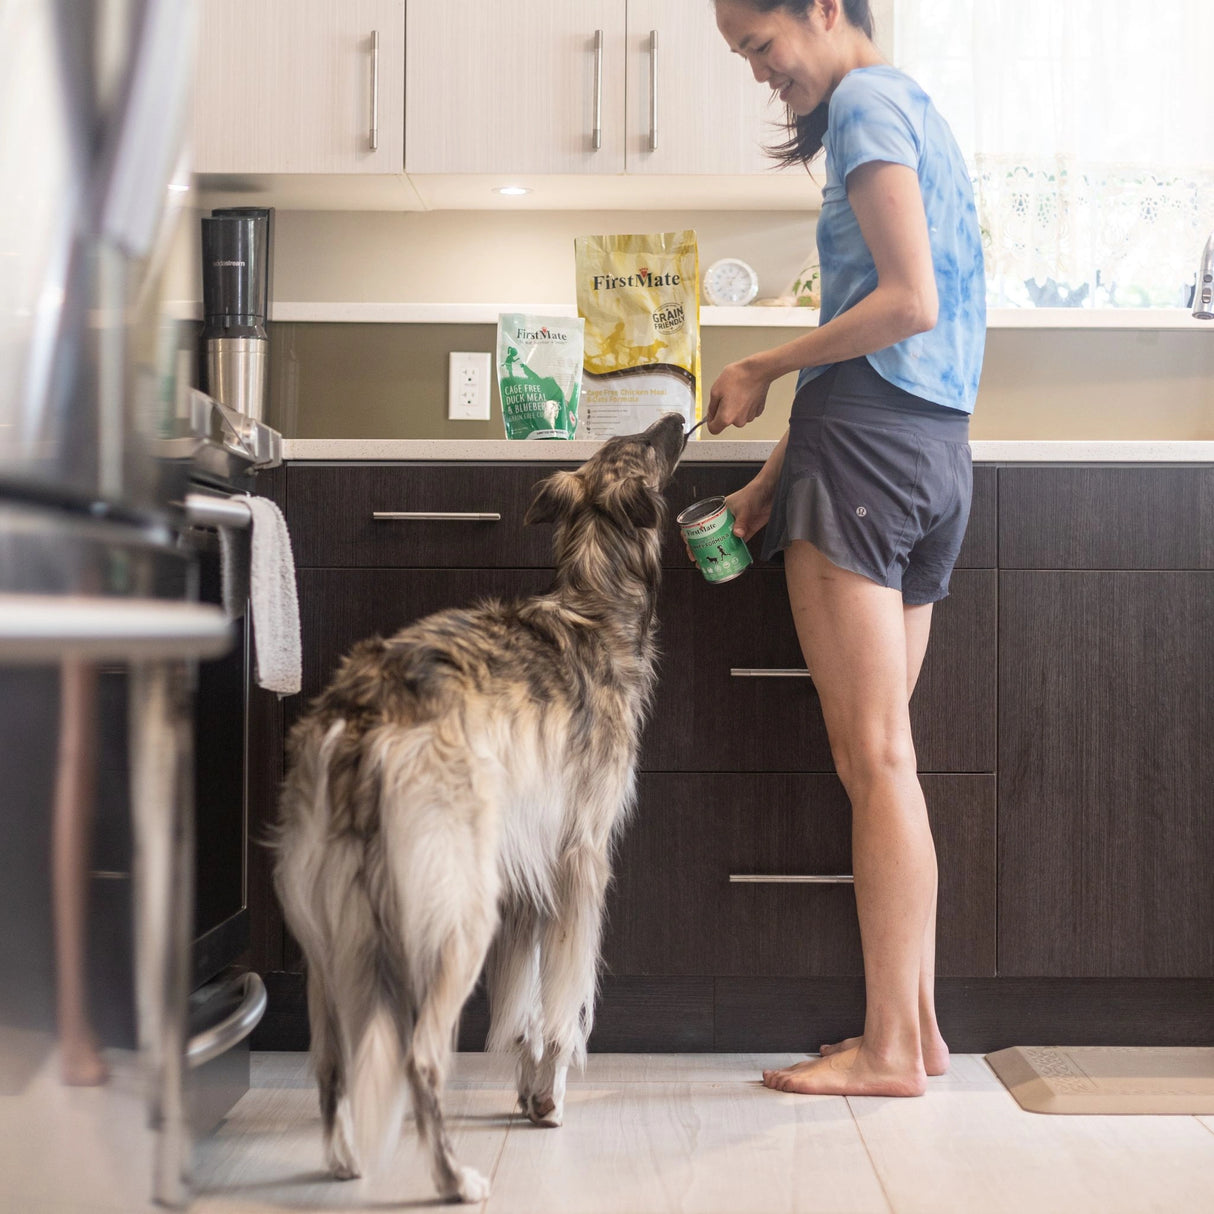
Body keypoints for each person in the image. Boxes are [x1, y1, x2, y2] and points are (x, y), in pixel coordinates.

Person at [708, 0, 986, 1097]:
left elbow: (902, 303)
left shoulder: (866, 105)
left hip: (867, 458)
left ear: (823, 7)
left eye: (758, 44)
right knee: (889, 760)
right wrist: (773, 481)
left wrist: (762, 362)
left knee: (871, 762)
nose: (757, 72)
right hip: (927, 456)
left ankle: (883, 1051)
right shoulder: (911, 104)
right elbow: (901, 330)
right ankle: (912, 1032)